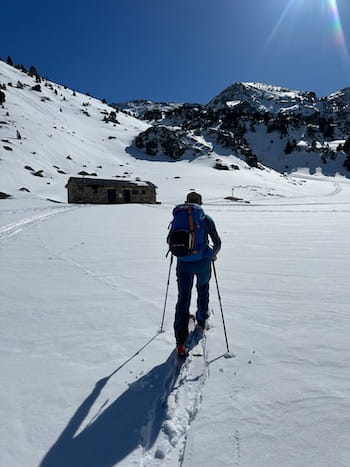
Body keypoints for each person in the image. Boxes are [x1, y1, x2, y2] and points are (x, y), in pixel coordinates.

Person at [171, 192, 221, 355]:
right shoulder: (205, 219)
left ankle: (180, 340)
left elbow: (170, 240)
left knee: (183, 297)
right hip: (202, 263)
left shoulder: (178, 218)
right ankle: (201, 319)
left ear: (186, 202)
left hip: (183, 263)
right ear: (201, 203)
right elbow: (217, 242)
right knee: (203, 289)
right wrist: (212, 254)